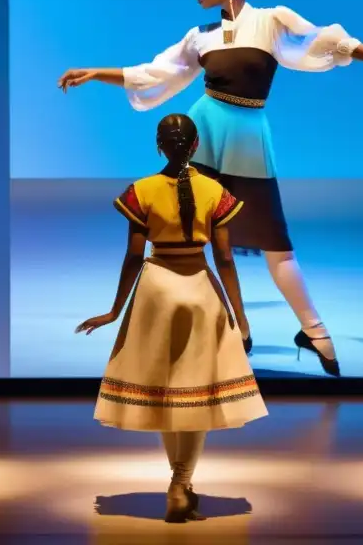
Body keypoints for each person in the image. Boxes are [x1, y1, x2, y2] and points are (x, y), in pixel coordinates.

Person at [59, 0, 363, 376]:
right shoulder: (200, 37)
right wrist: (96, 72)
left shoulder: (271, 20)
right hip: (205, 137)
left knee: (276, 244)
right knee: (203, 238)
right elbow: (157, 73)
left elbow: (327, 40)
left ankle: (315, 332)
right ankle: (238, 328)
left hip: (250, 139)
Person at [76, 113, 267, 523]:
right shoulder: (213, 190)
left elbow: (133, 256)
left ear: (158, 146)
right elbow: (226, 258)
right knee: (194, 395)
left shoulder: (141, 190)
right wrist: (241, 316)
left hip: (156, 291)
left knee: (168, 394)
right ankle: (180, 483)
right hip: (199, 288)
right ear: (197, 146)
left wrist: (114, 310)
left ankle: (180, 483)